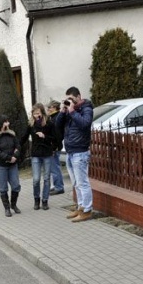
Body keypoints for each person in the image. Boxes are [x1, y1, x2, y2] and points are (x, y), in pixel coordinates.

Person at [55, 86, 94, 222]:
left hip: (80, 152)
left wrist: (72, 111)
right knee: (76, 183)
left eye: (71, 99)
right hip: (70, 152)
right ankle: (80, 207)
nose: (70, 102)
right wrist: (62, 111)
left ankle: (87, 210)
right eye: (67, 100)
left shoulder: (87, 108)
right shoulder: (70, 112)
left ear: (78, 97)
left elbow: (85, 124)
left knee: (83, 183)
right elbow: (57, 126)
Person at [22, 103, 58, 211]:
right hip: (36, 154)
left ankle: (45, 201)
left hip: (46, 153)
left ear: (42, 113)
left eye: (38, 113)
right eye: (34, 113)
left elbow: (55, 138)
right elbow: (24, 137)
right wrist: (17, 147)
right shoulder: (31, 124)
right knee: (36, 179)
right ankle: (36, 199)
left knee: (46, 178)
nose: (36, 116)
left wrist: (45, 137)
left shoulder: (49, 123)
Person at [0, 115, 21, 217]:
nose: (8, 123)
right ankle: (7, 208)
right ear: (1, 124)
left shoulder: (11, 133)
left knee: (16, 186)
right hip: (1, 166)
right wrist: (8, 158)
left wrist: (15, 156)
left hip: (13, 165)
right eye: (6, 122)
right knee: (3, 188)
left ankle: (13, 205)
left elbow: (18, 146)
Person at [46, 101, 66, 195]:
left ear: (55, 108)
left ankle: (59, 187)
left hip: (54, 146)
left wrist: (54, 147)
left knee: (55, 168)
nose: (48, 109)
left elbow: (57, 135)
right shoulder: (53, 117)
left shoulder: (56, 118)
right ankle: (57, 186)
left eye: (50, 107)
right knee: (53, 167)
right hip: (54, 146)